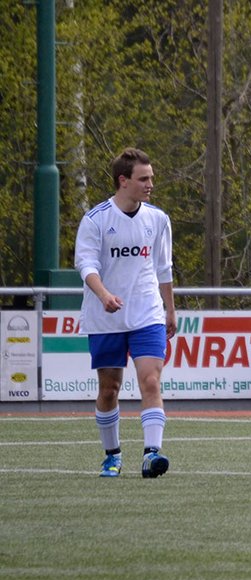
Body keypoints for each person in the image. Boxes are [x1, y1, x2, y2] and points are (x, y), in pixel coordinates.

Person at [74, 148, 176, 478]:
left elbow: (163, 267)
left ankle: (151, 455)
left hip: (147, 312)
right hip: (107, 316)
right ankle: (112, 455)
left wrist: (169, 310)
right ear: (123, 181)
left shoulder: (158, 219)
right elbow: (85, 264)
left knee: (150, 381)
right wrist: (103, 295)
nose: (150, 185)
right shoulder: (96, 219)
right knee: (109, 389)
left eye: (151, 178)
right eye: (143, 179)